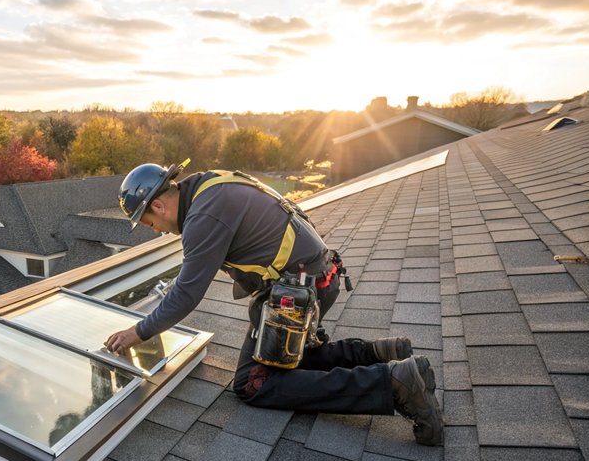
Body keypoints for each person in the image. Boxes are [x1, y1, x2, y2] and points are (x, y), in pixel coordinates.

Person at [104, 162, 442, 446]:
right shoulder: (210, 185)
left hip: (297, 295)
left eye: (150, 224)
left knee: (254, 383)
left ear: (159, 206)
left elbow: (187, 293)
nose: (158, 232)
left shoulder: (203, 217)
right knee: (289, 359)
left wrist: (139, 331)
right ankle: (381, 354)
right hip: (315, 280)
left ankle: (393, 384)